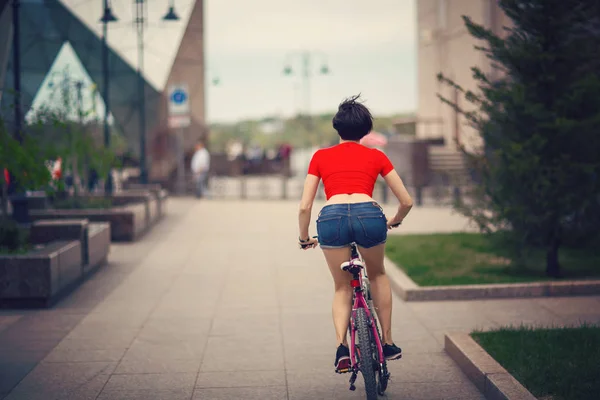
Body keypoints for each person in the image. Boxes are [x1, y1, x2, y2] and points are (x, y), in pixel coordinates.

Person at [297, 95, 413, 373]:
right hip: (369, 216)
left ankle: (341, 348)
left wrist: (304, 238)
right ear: (366, 130)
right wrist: (394, 220)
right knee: (377, 275)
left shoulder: (320, 156)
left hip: (332, 218)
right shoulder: (377, 156)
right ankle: (387, 342)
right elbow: (406, 201)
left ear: (338, 128)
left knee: (341, 287)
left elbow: (305, 206)